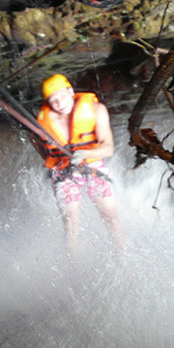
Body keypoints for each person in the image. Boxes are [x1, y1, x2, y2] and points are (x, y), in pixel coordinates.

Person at [33, 73, 125, 253]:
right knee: (70, 222)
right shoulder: (42, 121)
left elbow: (108, 148)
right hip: (64, 170)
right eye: (53, 100)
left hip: (92, 166)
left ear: (70, 91)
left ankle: (122, 258)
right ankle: (75, 267)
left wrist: (85, 153)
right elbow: (38, 145)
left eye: (61, 96)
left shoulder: (96, 109)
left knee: (111, 218)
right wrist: (55, 160)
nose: (59, 103)